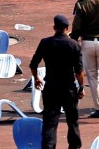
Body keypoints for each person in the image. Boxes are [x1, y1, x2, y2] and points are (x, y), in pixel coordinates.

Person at [30, 14, 85, 149]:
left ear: (54, 27)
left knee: (50, 122)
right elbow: (79, 71)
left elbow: (33, 64)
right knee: (72, 121)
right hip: (68, 87)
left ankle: (48, 147)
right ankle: (74, 146)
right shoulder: (74, 44)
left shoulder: (45, 42)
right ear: (67, 28)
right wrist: (81, 87)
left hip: (51, 86)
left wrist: (37, 78)